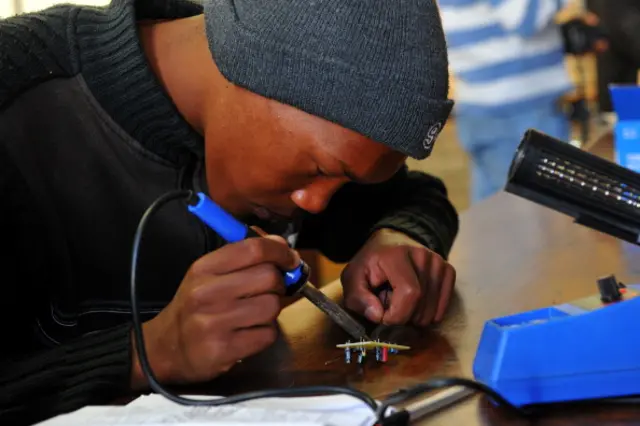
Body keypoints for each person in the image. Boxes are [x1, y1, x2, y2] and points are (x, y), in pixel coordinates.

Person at [0, 0, 459, 424]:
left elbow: (417, 197)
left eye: (352, 183)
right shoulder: (18, 99)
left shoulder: (308, 118)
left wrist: (400, 238)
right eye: (319, 169)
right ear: (249, 74)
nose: (317, 203)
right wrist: (147, 354)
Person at [438, 0, 604, 204]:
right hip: (515, 114)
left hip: (491, 110)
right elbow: (527, 16)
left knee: (494, 218)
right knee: (536, 216)